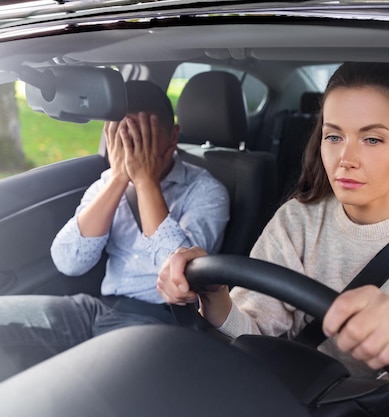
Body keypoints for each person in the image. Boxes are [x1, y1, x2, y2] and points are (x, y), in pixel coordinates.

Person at [157, 63, 389, 416]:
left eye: (372, 139)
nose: (345, 159)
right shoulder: (297, 219)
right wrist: (214, 295)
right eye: (334, 137)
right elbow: (253, 336)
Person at [0, 80, 230, 381]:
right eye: (123, 135)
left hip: (160, 322)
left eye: (142, 136)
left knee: (83, 386)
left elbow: (182, 274)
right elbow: (68, 262)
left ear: (173, 137)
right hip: (97, 309)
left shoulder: (206, 192)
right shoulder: (106, 183)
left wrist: (145, 181)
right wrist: (120, 178)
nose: (130, 148)